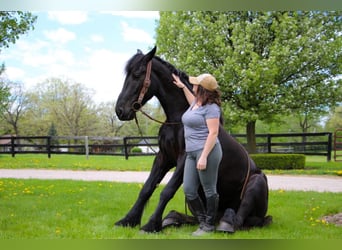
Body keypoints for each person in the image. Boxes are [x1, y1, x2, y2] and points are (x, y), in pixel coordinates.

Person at [172, 72, 223, 236]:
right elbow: (191, 98)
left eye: (195, 85)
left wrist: (203, 156)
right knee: (189, 189)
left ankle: (208, 225)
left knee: (209, 189)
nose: (192, 86)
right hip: (191, 152)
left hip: (207, 151)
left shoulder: (212, 108)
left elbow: (213, 133)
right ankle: (202, 221)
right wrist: (182, 87)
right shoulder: (196, 103)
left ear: (202, 89)